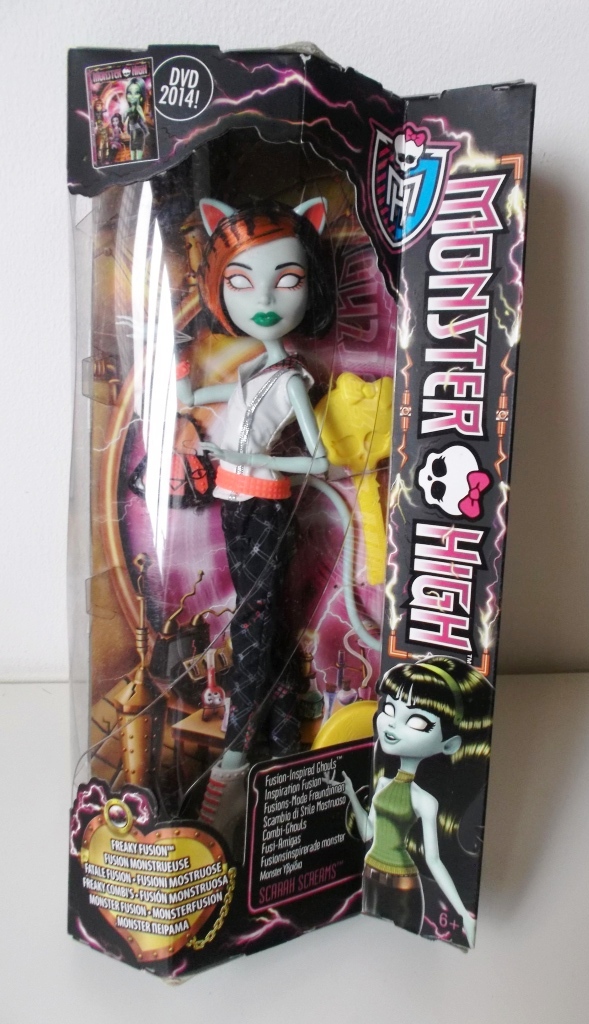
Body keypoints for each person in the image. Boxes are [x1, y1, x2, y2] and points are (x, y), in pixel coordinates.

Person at [177, 196, 335, 848]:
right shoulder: (252, 369)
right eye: (242, 282)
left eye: (286, 279)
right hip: (234, 503)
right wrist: (178, 375)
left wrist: (251, 457)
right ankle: (280, 744)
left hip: (267, 503)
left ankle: (237, 757)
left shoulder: (292, 377)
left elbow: (318, 461)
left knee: (252, 623)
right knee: (259, 624)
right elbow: (197, 397)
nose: (264, 299)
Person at [342, 656, 492, 947]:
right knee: (373, 943)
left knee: (404, 947)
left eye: (417, 721)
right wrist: (350, 792)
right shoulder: (382, 784)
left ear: (449, 744)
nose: (391, 724)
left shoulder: (425, 801)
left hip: (403, 885)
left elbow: (434, 861)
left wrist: (463, 913)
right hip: (370, 877)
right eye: (389, 709)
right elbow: (369, 833)